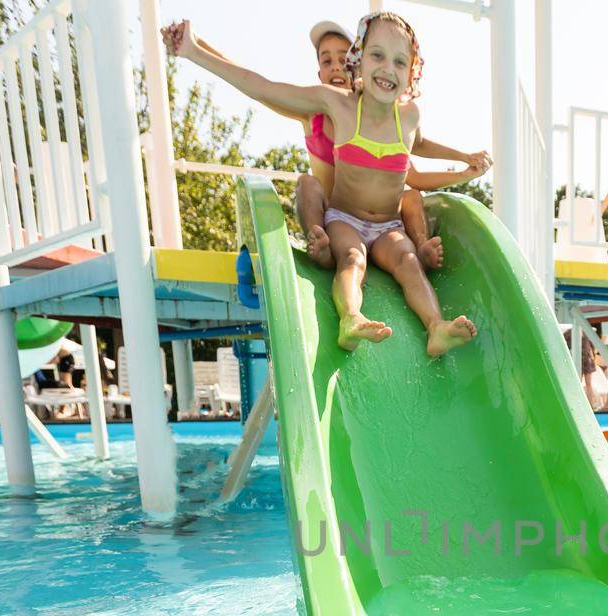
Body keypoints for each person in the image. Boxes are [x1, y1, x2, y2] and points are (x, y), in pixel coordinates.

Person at [164, 13, 478, 358]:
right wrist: (194, 51)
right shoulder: (338, 105)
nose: (388, 68)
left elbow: (417, 143)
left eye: (399, 61)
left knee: (408, 261)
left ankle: (436, 328)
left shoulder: (409, 116)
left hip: (389, 224)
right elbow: (264, 87)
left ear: (410, 74)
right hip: (346, 219)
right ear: (357, 59)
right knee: (353, 259)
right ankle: (351, 318)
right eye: (377, 55)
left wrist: (463, 158)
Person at [194, 21, 491, 272]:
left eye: (342, 58)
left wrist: (462, 167)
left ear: (357, 64)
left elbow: (414, 163)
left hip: (380, 225)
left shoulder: (378, 122)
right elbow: (260, 87)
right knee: (308, 183)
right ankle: (320, 243)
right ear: (319, 74)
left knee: (410, 196)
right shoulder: (312, 112)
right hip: (335, 220)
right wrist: (196, 49)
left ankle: (420, 248)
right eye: (326, 61)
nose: (335, 66)